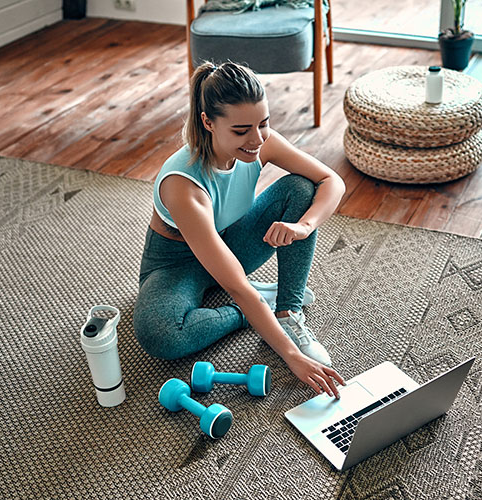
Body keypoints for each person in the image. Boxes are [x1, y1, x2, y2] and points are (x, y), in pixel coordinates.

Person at [133, 61, 346, 398]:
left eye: (263, 124)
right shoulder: (182, 185)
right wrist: (291, 357)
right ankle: (256, 308)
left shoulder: (261, 143)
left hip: (230, 240)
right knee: (161, 334)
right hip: (175, 263)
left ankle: (287, 309)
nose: (257, 138)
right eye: (241, 130)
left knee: (301, 190)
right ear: (208, 122)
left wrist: (304, 226)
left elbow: (330, 181)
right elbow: (235, 284)